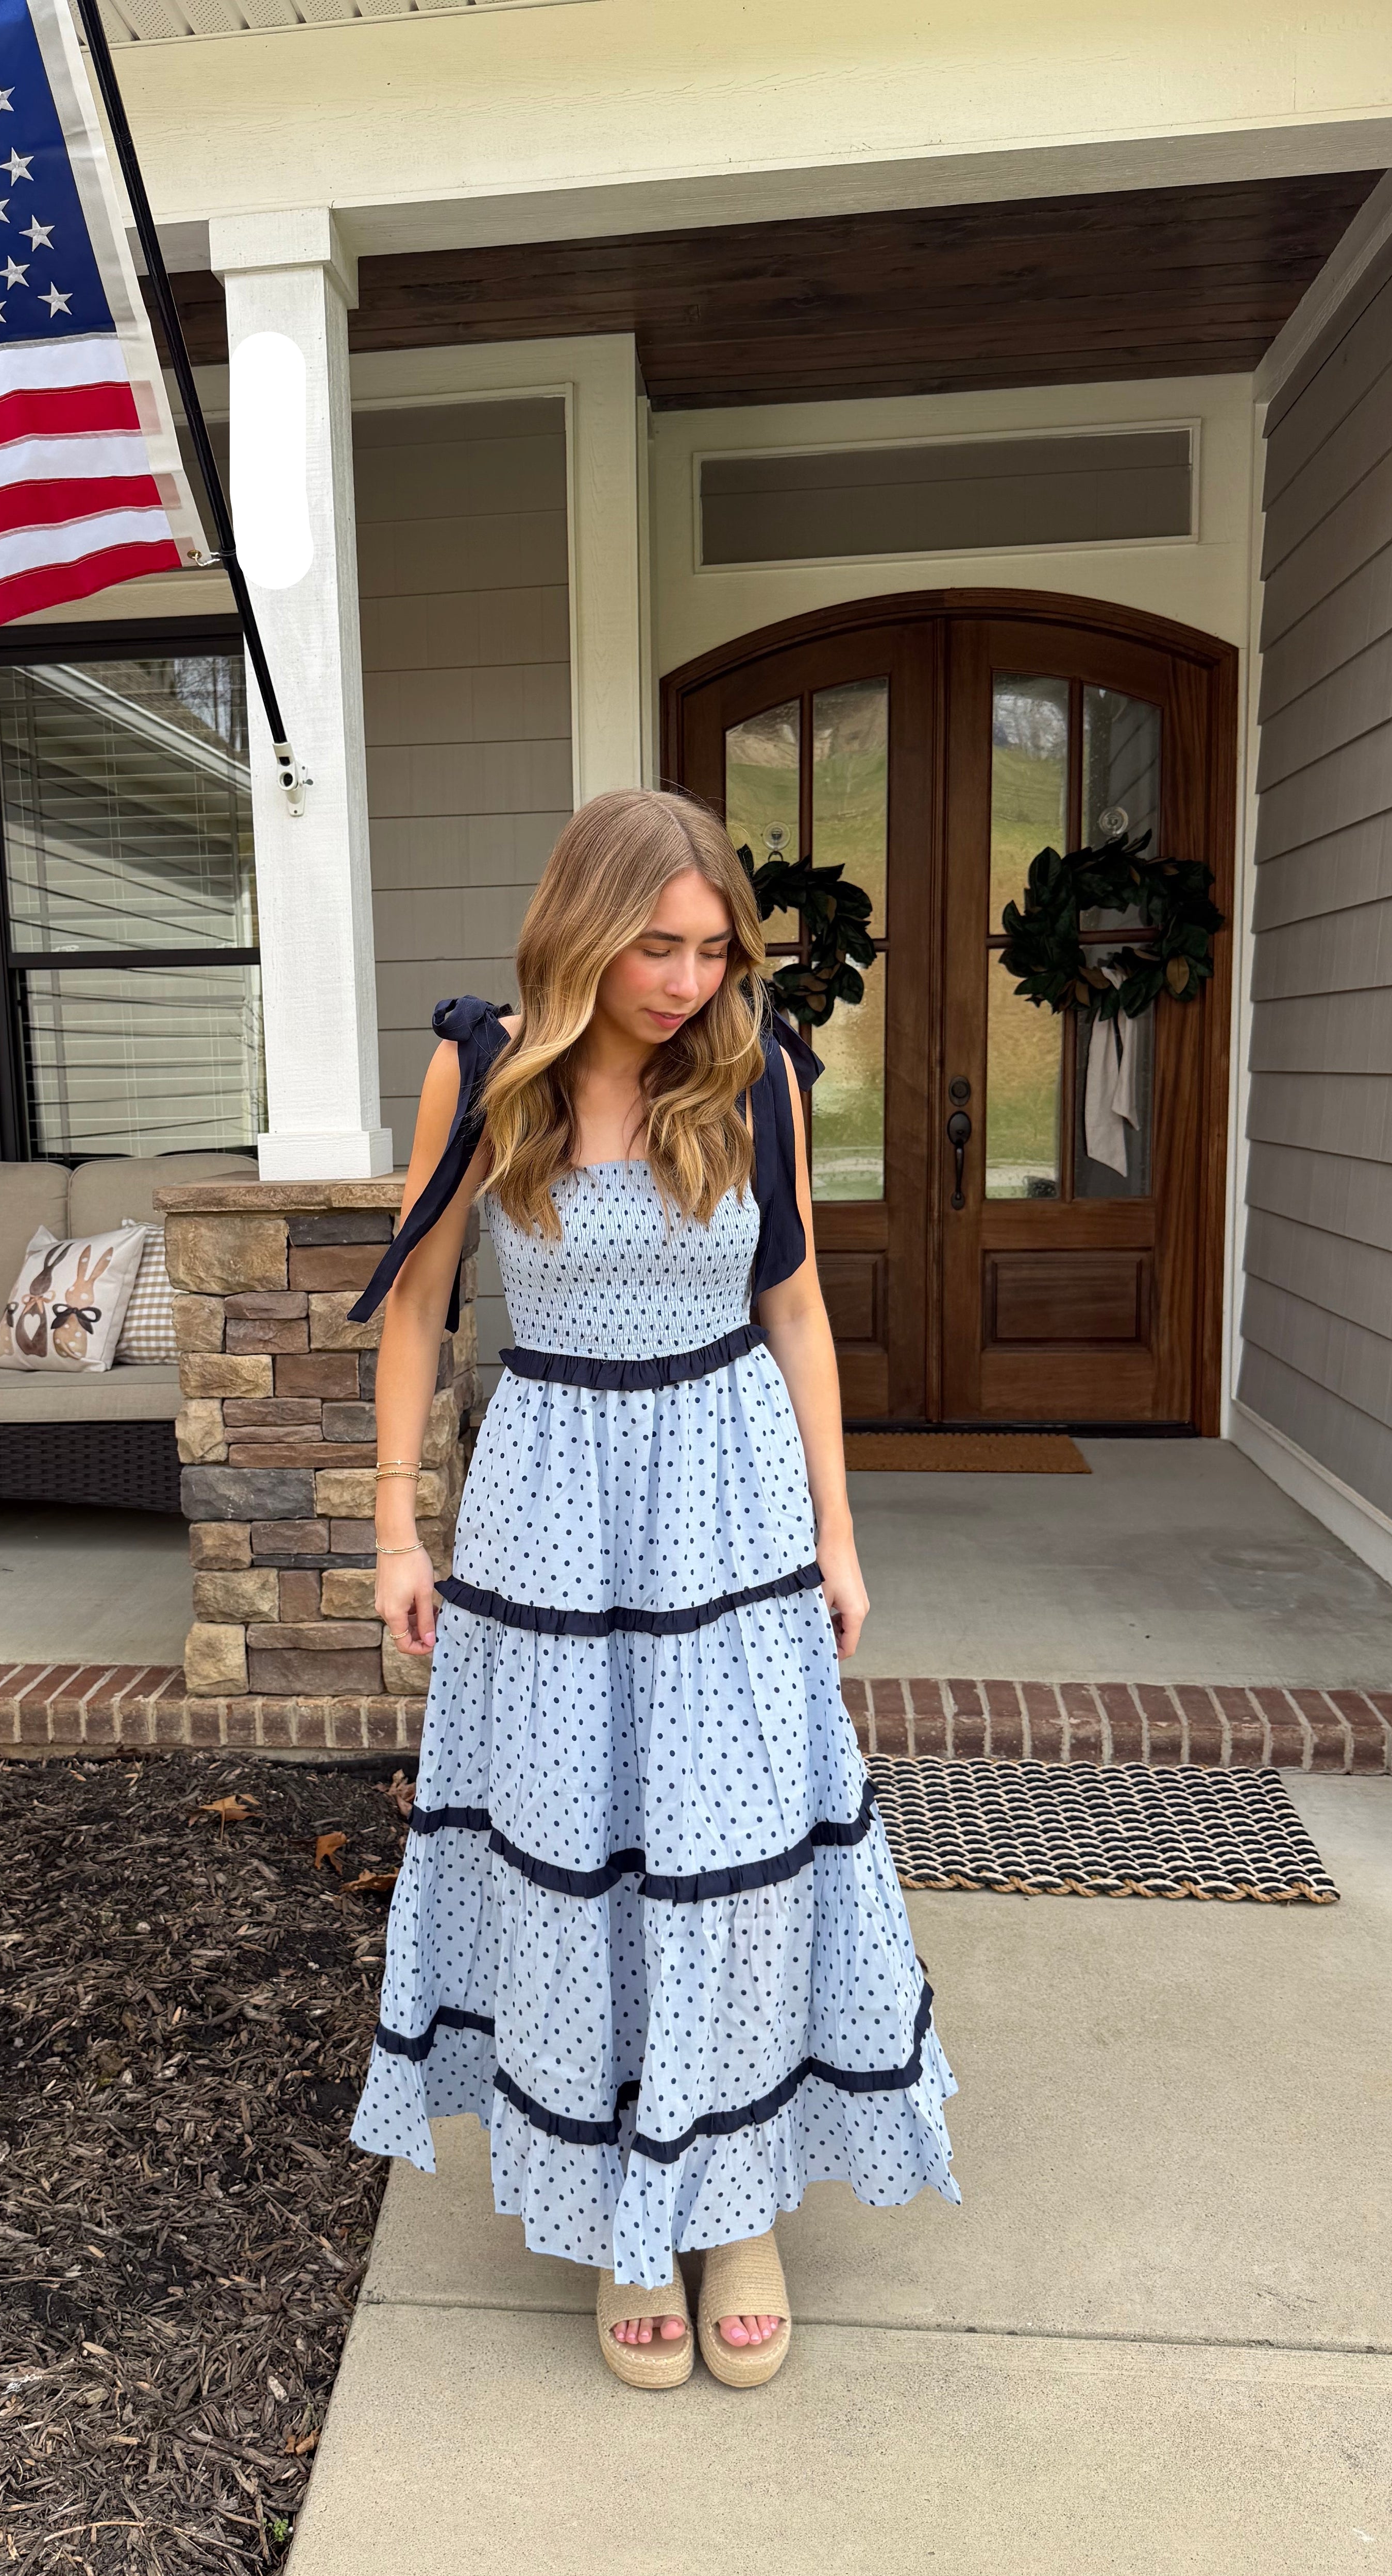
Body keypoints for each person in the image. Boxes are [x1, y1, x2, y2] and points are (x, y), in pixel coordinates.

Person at [347, 788, 957, 2390]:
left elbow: (802, 1312)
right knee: (571, 1861)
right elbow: (419, 1312)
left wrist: (838, 1533)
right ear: (580, 926)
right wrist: (400, 1529)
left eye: (713, 949)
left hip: (731, 1504)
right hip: (551, 1506)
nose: (688, 980)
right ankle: (626, 2207)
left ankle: (735, 2201)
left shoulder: (757, 1074)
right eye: (657, 946)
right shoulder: (481, 1071)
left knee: (741, 1861)